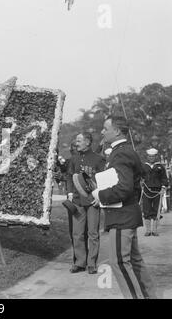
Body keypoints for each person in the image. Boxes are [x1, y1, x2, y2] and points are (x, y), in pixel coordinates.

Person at [91, 115, 157, 299]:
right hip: (126, 214)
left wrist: (100, 195)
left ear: (117, 131)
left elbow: (124, 187)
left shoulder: (121, 152)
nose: (102, 131)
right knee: (134, 261)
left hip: (122, 216)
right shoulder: (124, 150)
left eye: (105, 128)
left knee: (120, 262)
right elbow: (139, 175)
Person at [66, 132, 105, 274]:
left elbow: (103, 179)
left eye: (79, 141)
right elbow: (69, 177)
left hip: (92, 201)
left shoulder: (99, 159)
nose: (77, 143)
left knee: (93, 233)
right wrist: (70, 193)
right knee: (77, 233)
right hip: (77, 201)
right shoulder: (74, 159)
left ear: (88, 142)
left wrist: (100, 196)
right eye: (76, 141)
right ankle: (80, 262)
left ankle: (92, 263)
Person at [140, 148, 168, 236]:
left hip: (157, 191)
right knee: (146, 209)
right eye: (149, 156)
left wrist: (163, 187)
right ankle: (148, 230)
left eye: (153, 156)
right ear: (147, 157)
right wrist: (140, 181)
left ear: (156, 157)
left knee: (156, 210)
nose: (151, 158)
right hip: (146, 191)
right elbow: (139, 176)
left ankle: (155, 230)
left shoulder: (160, 166)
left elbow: (164, 178)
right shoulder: (143, 166)